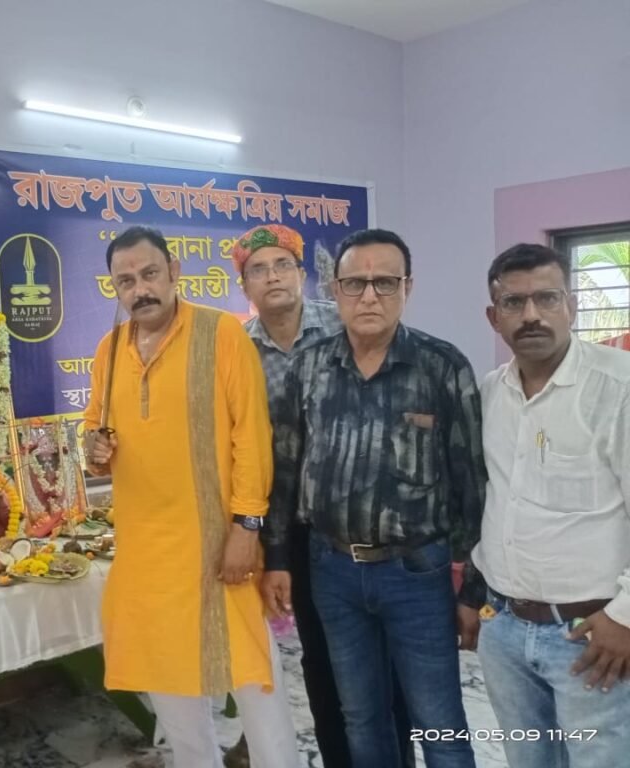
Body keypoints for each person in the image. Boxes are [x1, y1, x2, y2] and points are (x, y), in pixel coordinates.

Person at [264, 228, 484, 768]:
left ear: (407, 287)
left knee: (439, 722)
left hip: (417, 575)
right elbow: (287, 469)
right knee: (361, 718)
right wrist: (277, 558)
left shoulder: (441, 366)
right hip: (333, 571)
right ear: (334, 290)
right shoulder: (309, 366)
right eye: (355, 283)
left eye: (384, 282)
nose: (369, 296)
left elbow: (471, 484)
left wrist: (473, 589)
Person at [84, 226, 299, 768]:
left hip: (217, 542)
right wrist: (95, 449)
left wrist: (246, 527)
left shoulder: (221, 334)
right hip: (146, 552)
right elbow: (95, 431)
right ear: (115, 288)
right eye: (126, 281)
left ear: (174, 272)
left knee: (254, 679)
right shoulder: (109, 351)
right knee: (169, 680)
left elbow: (252, 437)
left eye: (150, 274)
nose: (140, 289)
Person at [225, 224, 412, 768]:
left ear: (303, 274)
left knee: (384, 659)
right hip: (290, 526)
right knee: (323, 658)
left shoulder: (345, 325)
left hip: (362, 519)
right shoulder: (235, 350)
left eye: (282, 265)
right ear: (244, 285)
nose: (272, 278)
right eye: (258, 270)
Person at [474, 243, 630, 768]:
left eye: (547, 298)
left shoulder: (618, 387)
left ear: (572, 305)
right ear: (494, 317)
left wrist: (625, 618)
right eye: (513, 303)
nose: (531, 315)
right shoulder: (490, 394)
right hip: (504, 628)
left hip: (592, 635)